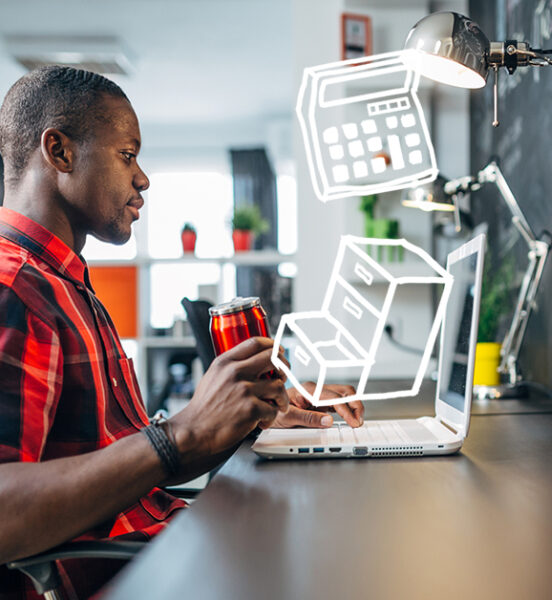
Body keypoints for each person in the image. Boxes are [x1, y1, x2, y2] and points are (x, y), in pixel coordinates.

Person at [0, 66, 364, 599]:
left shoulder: (64, 282)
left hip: (165, 546)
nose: (142, 178)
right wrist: (179, 435)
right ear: (59, 152)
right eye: (128, 155)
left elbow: (129, 464)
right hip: (135, 575)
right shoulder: (14, 287)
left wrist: (238, 417)